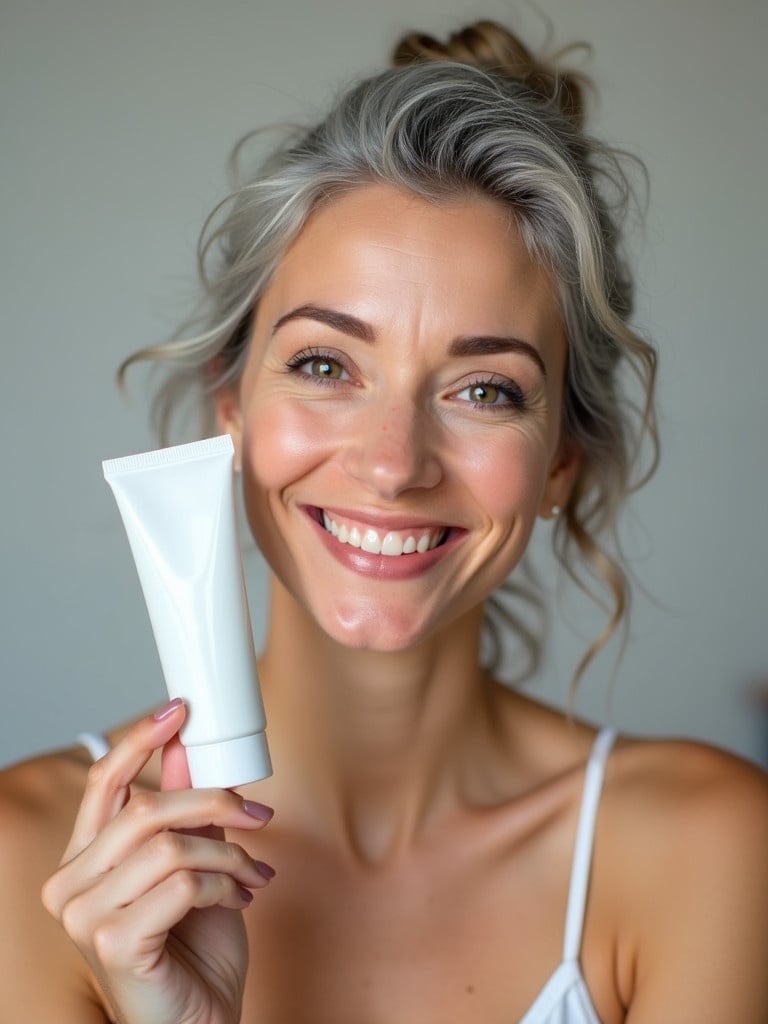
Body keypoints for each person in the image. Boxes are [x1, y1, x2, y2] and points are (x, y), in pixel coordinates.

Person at [1, 19, 767, 1024]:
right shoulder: (28, 862)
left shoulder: (710, 845)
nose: (394, 463)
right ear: (232, 414)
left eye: (485, 389)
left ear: (560, 466)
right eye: (326, 365)